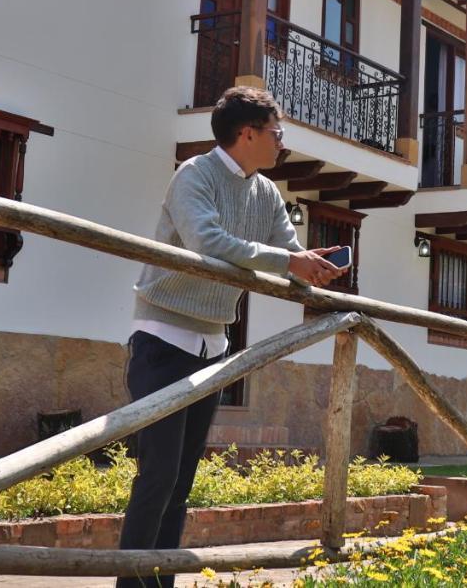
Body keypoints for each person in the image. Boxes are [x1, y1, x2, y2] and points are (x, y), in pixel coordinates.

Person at [117, 86, 345, 588]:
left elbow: (287, 249)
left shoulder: (265, 192)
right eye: (276, 133)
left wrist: (311, 264)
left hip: (212, 346)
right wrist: (290, 261)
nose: (281, 143)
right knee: (156, 476)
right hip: (162, 338)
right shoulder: (194, 175)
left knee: (180, 482)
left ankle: (161, 585)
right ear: (248, 134)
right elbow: (208, 241)